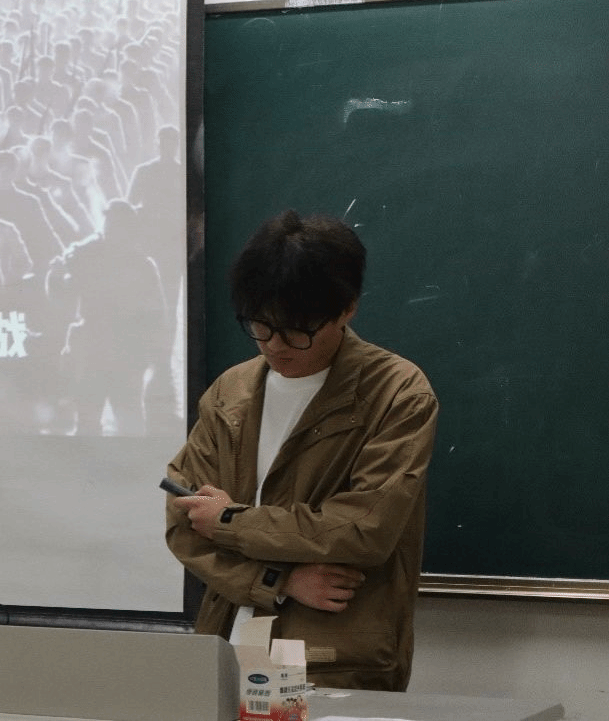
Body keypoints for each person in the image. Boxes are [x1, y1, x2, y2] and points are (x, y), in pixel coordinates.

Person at [164, 210, 438, 692]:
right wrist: (277, 581)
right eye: (260, 326)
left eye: (297, 330)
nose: (276, 346)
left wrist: (230, 521)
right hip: (225, 650)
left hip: (332, 661)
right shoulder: (231, 391)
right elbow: (185, 520)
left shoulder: (397, 392)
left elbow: (362, 529)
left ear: (347, 309)